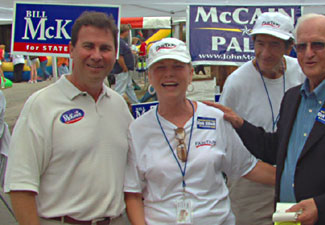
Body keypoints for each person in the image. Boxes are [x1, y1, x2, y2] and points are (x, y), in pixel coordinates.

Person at [206, 14, 325, 225]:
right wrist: (240, 123)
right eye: (301, 46)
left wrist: (323, 206)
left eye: (317, 45)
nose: (308, 54)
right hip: (287, 219)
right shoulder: (293, 97)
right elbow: (276, 148)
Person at [124, 38, 276, 225]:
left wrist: (301, 181)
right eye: (160, 67)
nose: (169, 74)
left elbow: (248, 167)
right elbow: (132, 193)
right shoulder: (138, 129)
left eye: (177, 66)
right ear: (149, 76)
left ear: (190, 74)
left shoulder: (215, 118)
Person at [4, 11, 133, 225]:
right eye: (88, 46)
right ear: (71, 50)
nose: (97, 55)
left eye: (105, 48)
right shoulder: (41, 105)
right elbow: (20, 186)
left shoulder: (118, 105)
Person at [220, 12, 305, 225]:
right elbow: (226, 138)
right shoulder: (236, 82)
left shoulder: (301, 72)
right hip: (251, 182)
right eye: (260, 43)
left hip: (294, 179)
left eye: (275, 45)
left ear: (289, 47)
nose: (265, 53)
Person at [112, 24, 139, 104]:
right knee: (120, 89)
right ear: (126, 31)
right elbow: (120, 56)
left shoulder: (122, 41)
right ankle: (115, 104)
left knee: (129, 87)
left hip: (126, 69)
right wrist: (124, 67)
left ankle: (136, 103)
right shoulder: (120, 42)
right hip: (122, 70)